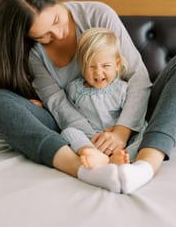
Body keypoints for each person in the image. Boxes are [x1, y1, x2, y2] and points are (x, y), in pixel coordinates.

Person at [0, 0, 176, 194]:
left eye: (57, 20)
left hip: (132, 113)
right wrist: (92, 141)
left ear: (56, 1)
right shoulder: (33, 54)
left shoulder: (96, 14)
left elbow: (137, 78)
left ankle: (147, 165)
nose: (59, 34)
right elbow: (57, 103)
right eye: (44, 36)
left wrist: (121, 131)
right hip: (74, 131)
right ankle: (84, 170)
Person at [61, 27, 147, 168]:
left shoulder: (122, 89)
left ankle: (125, 157)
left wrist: (119, 134)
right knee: (68, 132)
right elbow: (68, 114)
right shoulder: (74, 89)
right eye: (91, 66)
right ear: (82, 66)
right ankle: (91, 153)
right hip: (91, 139)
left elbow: (133, 115)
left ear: (117, 65)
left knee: (144, 129)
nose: (98, 73)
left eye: (106, 66)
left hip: (119, 141)